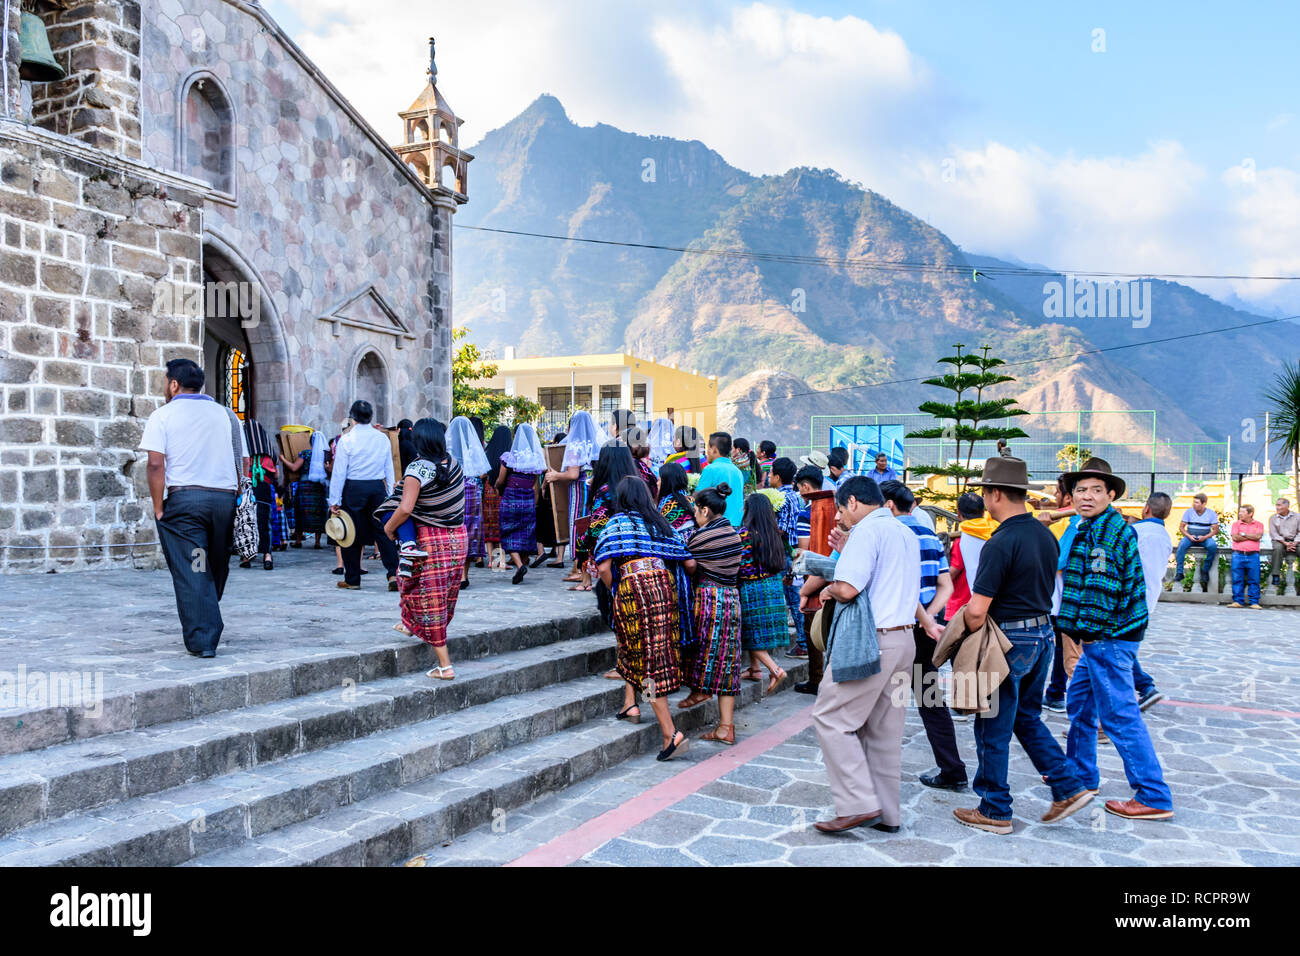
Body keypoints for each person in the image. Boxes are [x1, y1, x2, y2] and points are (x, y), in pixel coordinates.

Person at [952, 456, 1093, 834]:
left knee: (993, 725)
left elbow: (978, 611)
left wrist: (957, 630)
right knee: (1026, 718)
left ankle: (995, 808)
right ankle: (1067, 785)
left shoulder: (1000, 542)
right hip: (1043, 635)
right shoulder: (1044, 536)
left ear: (994, 493)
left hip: (1009, 642)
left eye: (985, 492)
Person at [809, 476, 930, 834]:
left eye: (841, 510)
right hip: (904, 640)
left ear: (854, 503)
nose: (840, 517)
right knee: (883, 732)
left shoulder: (866, 532)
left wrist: (830, 588)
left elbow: (848, 588)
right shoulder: (905, 531)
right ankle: (887, 814)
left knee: (830, 717)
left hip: (870, 639)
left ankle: (857, 804)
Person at [1057, 458, 1174, 822]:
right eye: (1080, 490)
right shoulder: (1090, 526)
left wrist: (1080, 633)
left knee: (1120, 716)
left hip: (1107, 638)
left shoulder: (1106, 534)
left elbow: (1101, 593)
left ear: (1110, 495)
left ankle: (1153, 795)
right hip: (1103, 638)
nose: (1086, 496)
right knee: (1079, 705)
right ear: (1071, 496)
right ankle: (1081, 777)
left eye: (1095, 490)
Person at [139, 358, 247, 658]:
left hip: (186, 504)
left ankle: (203, 638)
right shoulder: (227, 415)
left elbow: (156, 464)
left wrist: (159, 507)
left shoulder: (163, 415)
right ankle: (207, 612)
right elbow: (245, 460)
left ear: (173, 384)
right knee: (214, 563)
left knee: (194, 566)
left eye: (165, 381)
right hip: (224, 502)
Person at [593, 475, 694, 761]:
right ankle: (630, 704)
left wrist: (615, 589)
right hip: (663, 589)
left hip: (633, 590)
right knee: (646, 652)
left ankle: (670, 732)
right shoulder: (660, 523)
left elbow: (602, 567)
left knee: (645, 661)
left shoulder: (616, 523)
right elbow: (686, 559)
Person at [879, 480, 964, 792]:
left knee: (881, 697)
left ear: (888, 505)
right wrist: (929, 617)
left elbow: (902, 585)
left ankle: (874, 772)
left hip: (899, 627)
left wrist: (921, 618)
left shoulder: (892, 533)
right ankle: (952, 767)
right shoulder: (928, 533)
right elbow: (946, 586)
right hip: (926, 628)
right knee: (929, 697)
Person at [379, 419, 467, 681]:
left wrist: (388, 529)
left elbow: (406, 509)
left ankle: (445, 666)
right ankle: (410, 624)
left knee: (430, 600)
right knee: (423, 589)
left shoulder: (417, 468)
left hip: (430, 541)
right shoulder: (452, 464)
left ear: (418, 441)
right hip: (457, 540)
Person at [679, 485, 745, 743]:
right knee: (727, 661)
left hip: (710, 600)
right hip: (732, 600)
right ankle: (726, 726)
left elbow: (689, 562)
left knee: (701, 651)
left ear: (705, 510)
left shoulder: (702, 538)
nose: (695, 514)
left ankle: (700, 691)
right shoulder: (733, 533)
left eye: (696, 509)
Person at [328, 401, 400, 591]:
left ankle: (352, 579)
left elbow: (339, 472)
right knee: (383, 532)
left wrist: (334, 500)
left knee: (350, 533)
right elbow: (389, 467)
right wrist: (390, 494)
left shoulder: (347, 439)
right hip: (377, 487)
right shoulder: (382, 438)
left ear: (353, 417)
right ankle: (393, 574)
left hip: (354, 488)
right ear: (371, 416)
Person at [544, 410, 608, 575]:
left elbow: (572, 474)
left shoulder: (575, 446)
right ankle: (589, 565)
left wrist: (556, 475)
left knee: (577, 525)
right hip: (594, 489)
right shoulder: (596, 444)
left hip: (580, 490)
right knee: (591, 525)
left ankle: (579, 567)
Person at [1132, 492, 1173, 710]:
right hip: (1150, 597)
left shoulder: (1136, 531)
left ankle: (1145, 686)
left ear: (1146, 508)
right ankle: (1144, 686)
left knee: (1119, 648)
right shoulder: (1165, 536)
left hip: (1131, 597)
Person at [496, 423, 546, 584]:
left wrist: (496, 486)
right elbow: (535, 485)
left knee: (508, 531)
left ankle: (519, 565)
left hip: (511, 497)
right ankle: (523, 562)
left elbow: (500, 480)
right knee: (526, 531)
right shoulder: (537, 459)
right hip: (528, 498)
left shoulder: (509, 457)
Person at [767, 457, 808, 659]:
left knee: (793, 597)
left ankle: (803, 643)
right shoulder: (796, 496)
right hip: (796, 550)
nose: (768, 476)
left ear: (778, 476)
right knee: (795, 596)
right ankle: (803, 642)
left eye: (771, 473)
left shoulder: (779, 498)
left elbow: (781, 528)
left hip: (786, 552)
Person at [792, 465, 826, 694]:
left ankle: (816, 679)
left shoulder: (807, 513)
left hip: (814, 577)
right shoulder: (836, 508)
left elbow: (803, 551)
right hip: (837, 577)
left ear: (805, 487)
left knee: (812, 630)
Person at [446, 416, 491, 591]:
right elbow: (483, 472)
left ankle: (455, 574)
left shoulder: (448, 449)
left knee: (453, 531)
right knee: (470, 531)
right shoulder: (473, 448)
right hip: (472, 491)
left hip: (453, 492)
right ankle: (464, 575)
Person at [240, 416, 278, 571]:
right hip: (264, 490)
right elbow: (276, 475)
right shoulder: (269, 455)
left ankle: (246, 557)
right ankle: (267, 556)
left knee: (246, 522)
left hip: (248, 491)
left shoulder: (244, 453)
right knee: (264, 522)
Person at [280, 430, 328, 549]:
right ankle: (317, 542)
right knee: (318, 513)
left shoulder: (305, 453)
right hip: (319, 487)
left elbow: (294, 468)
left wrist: (282, 459)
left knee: (301, 511)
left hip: (305, 486)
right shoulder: (325, 455)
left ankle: (298, 541)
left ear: (311, 442)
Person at [697, 432, 746, 526]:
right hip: (736, 525)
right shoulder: (737, 471)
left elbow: (698, 497)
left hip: (717, 526)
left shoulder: (710, 469)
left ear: (714, 449)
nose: (707, 452)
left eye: (709, 448)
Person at [1174, 493, 1219, 591]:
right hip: (1190, 536)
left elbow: (1216, 530)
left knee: (1212, 546)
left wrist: (1205, 537)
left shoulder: (1211, 513)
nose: (1194, 504)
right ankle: (1179, 572)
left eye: (1197, 503)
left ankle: (1205, 570)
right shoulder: (1188, 512)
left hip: (1205, 537)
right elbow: (1181, 527)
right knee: (1181, 545)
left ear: (1204, 504)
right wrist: (1189, 536)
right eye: (1194, 502)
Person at [481, 425, 511, 571]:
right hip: (502, 492)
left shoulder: (487, 452)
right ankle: (502, 561)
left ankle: (491, 560)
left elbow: (482, 474)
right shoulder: (508, 455)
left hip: (488, 491)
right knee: (501, 525)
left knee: (489, 524)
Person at [1228, 504, 1265, 609]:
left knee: (1254, 579)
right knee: (1237, 578)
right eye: (1239, 512)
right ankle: (1237, 601)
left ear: (1250, 513)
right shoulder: (1236, 524)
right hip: (1238, 554)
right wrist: (1250, 536)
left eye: (1242, 512)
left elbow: (1258, 536)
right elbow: (1235, 537)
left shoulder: (1258, 524)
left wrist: (1243, 534)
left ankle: (1254, 602)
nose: (1240, 514)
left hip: (1253, 555)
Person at [1268, 497, 1299, 593]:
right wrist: (1285, 543)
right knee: (1277, 548)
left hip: (1295, 540)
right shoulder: (1273, 518)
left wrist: (1295, 542)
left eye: (1279, 505)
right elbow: (1273, 534)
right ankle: (1276, 575)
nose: (1277, 507)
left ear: (1287, 506)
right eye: (1276, 505)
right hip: (1280, 540)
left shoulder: (1297, 517)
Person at [657, 461, 696, 534]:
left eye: (659, 480)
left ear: (666, 483)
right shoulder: (692, 500)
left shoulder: (668, 506)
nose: (657, 483)